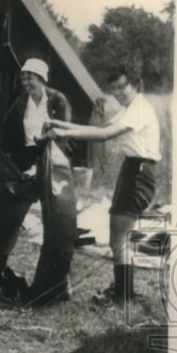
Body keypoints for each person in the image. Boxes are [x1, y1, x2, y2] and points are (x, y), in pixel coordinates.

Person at [47, 65, 161, 305]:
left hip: (140, 171)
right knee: (118, 236)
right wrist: (61, 126)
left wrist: (62, 132)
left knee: (119, 236)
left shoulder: (139, 108)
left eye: (122, 87)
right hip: (131, 168)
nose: (118, 92)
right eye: (114, 89)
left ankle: (123, 295)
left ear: (134, 84)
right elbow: (100, 129)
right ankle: (123, 291)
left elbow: (104, 136)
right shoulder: (130, 107)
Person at [0, 58, 72, 286]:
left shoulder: (57, 100)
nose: (25, 82)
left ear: (41, 78)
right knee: (9, 216)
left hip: (51, 159)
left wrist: (39, 166)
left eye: (30, 77)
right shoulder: (20, 103)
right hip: (23, 162)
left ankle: (55, 278)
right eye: (23, 77)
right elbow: (5, 135)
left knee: (55, 220)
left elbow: (63, 136)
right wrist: (9, 166)